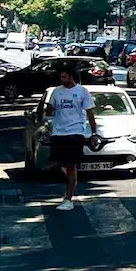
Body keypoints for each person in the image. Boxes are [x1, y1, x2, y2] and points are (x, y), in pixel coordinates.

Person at [45, 65, 96, 211]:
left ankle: (68, 198)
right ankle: (69, 182)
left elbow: (90, 113)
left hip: (75, 132)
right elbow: (50, 111)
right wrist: (48, 108)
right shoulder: (57, 91)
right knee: (55, 164)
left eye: (64, 77)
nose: (62, 79)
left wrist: (93, 133)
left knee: (71, 165)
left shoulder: (82, 92)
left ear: (71, 77)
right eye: (61, 77)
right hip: (58, 132)